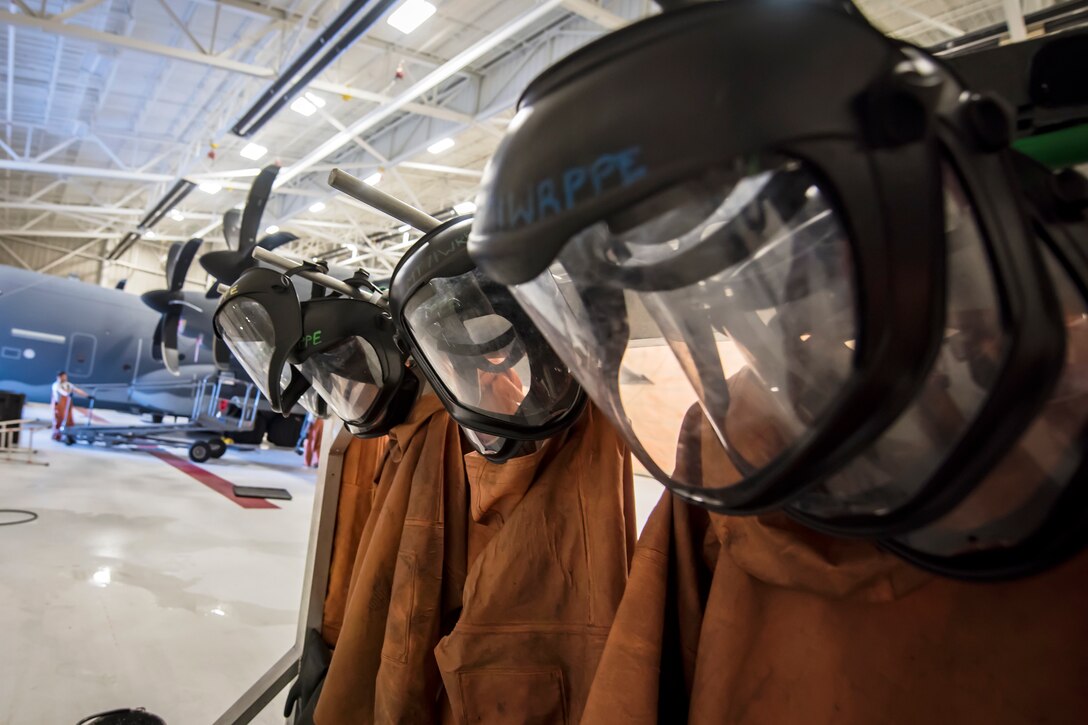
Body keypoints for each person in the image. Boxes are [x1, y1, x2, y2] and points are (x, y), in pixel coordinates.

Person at [51, 371, 86, 441]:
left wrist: (87, 395)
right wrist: (67, 394)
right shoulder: (56, 385)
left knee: (69, 421)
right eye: (63, 377)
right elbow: (61, 391)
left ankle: (69, 435)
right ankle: (57, 435)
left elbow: (76, 390)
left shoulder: (68, 384)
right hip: (58, 406)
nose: (64, 378)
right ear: (59, 377)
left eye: (65, 377)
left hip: (67, 406)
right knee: (59, 421)